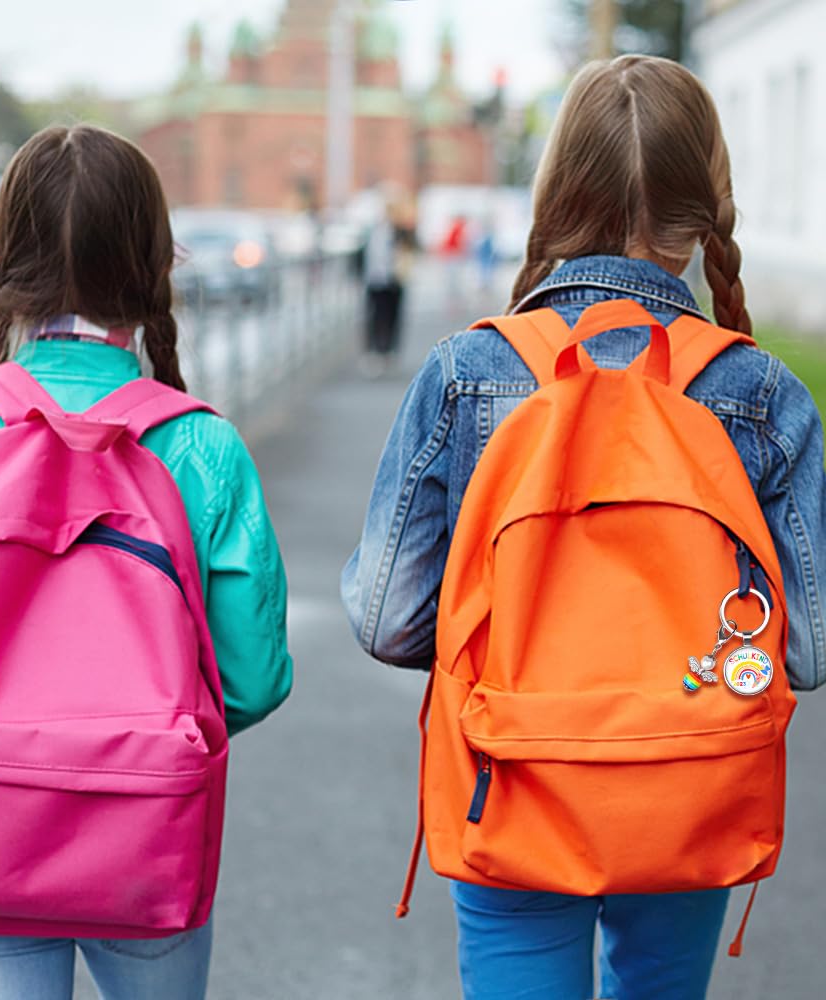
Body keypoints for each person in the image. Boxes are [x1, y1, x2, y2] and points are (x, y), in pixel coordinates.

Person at [341, 55, 826, 1000]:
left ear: (557, 187)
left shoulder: (466, 371)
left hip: (508, 775)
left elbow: (385, 619)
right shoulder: (764, 394)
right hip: (690, 780)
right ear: (708, 204)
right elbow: (806, 647)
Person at [0, 124, 293, 1000]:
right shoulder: (200, 446)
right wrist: (122, 748)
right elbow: (253, 678)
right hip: (143, 831)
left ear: (1, 257)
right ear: (155, 260)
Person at [362, 197, 415, 373]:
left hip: (394, 280)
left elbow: (410, 249)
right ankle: (375, 351)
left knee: (392, 316)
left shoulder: (401, 231)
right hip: (376, 279)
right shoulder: (375, 229)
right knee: (375, 316)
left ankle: (388, 351)